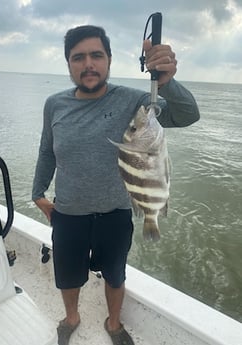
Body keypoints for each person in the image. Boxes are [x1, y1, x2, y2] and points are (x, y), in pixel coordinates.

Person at [32, 25, 200, 345]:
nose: (88, 64)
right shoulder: (54, 104)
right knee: (68, 277)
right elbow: (45, 151)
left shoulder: (133, 101)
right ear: (68, 63)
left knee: (115, 274)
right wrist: (37, 195)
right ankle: (71, 317)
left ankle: (113, 323)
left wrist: (166, 83)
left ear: (109, 59)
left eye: (97, 55)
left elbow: (187, 115)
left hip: (116, 212)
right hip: (68, 214)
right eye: (78, 57)